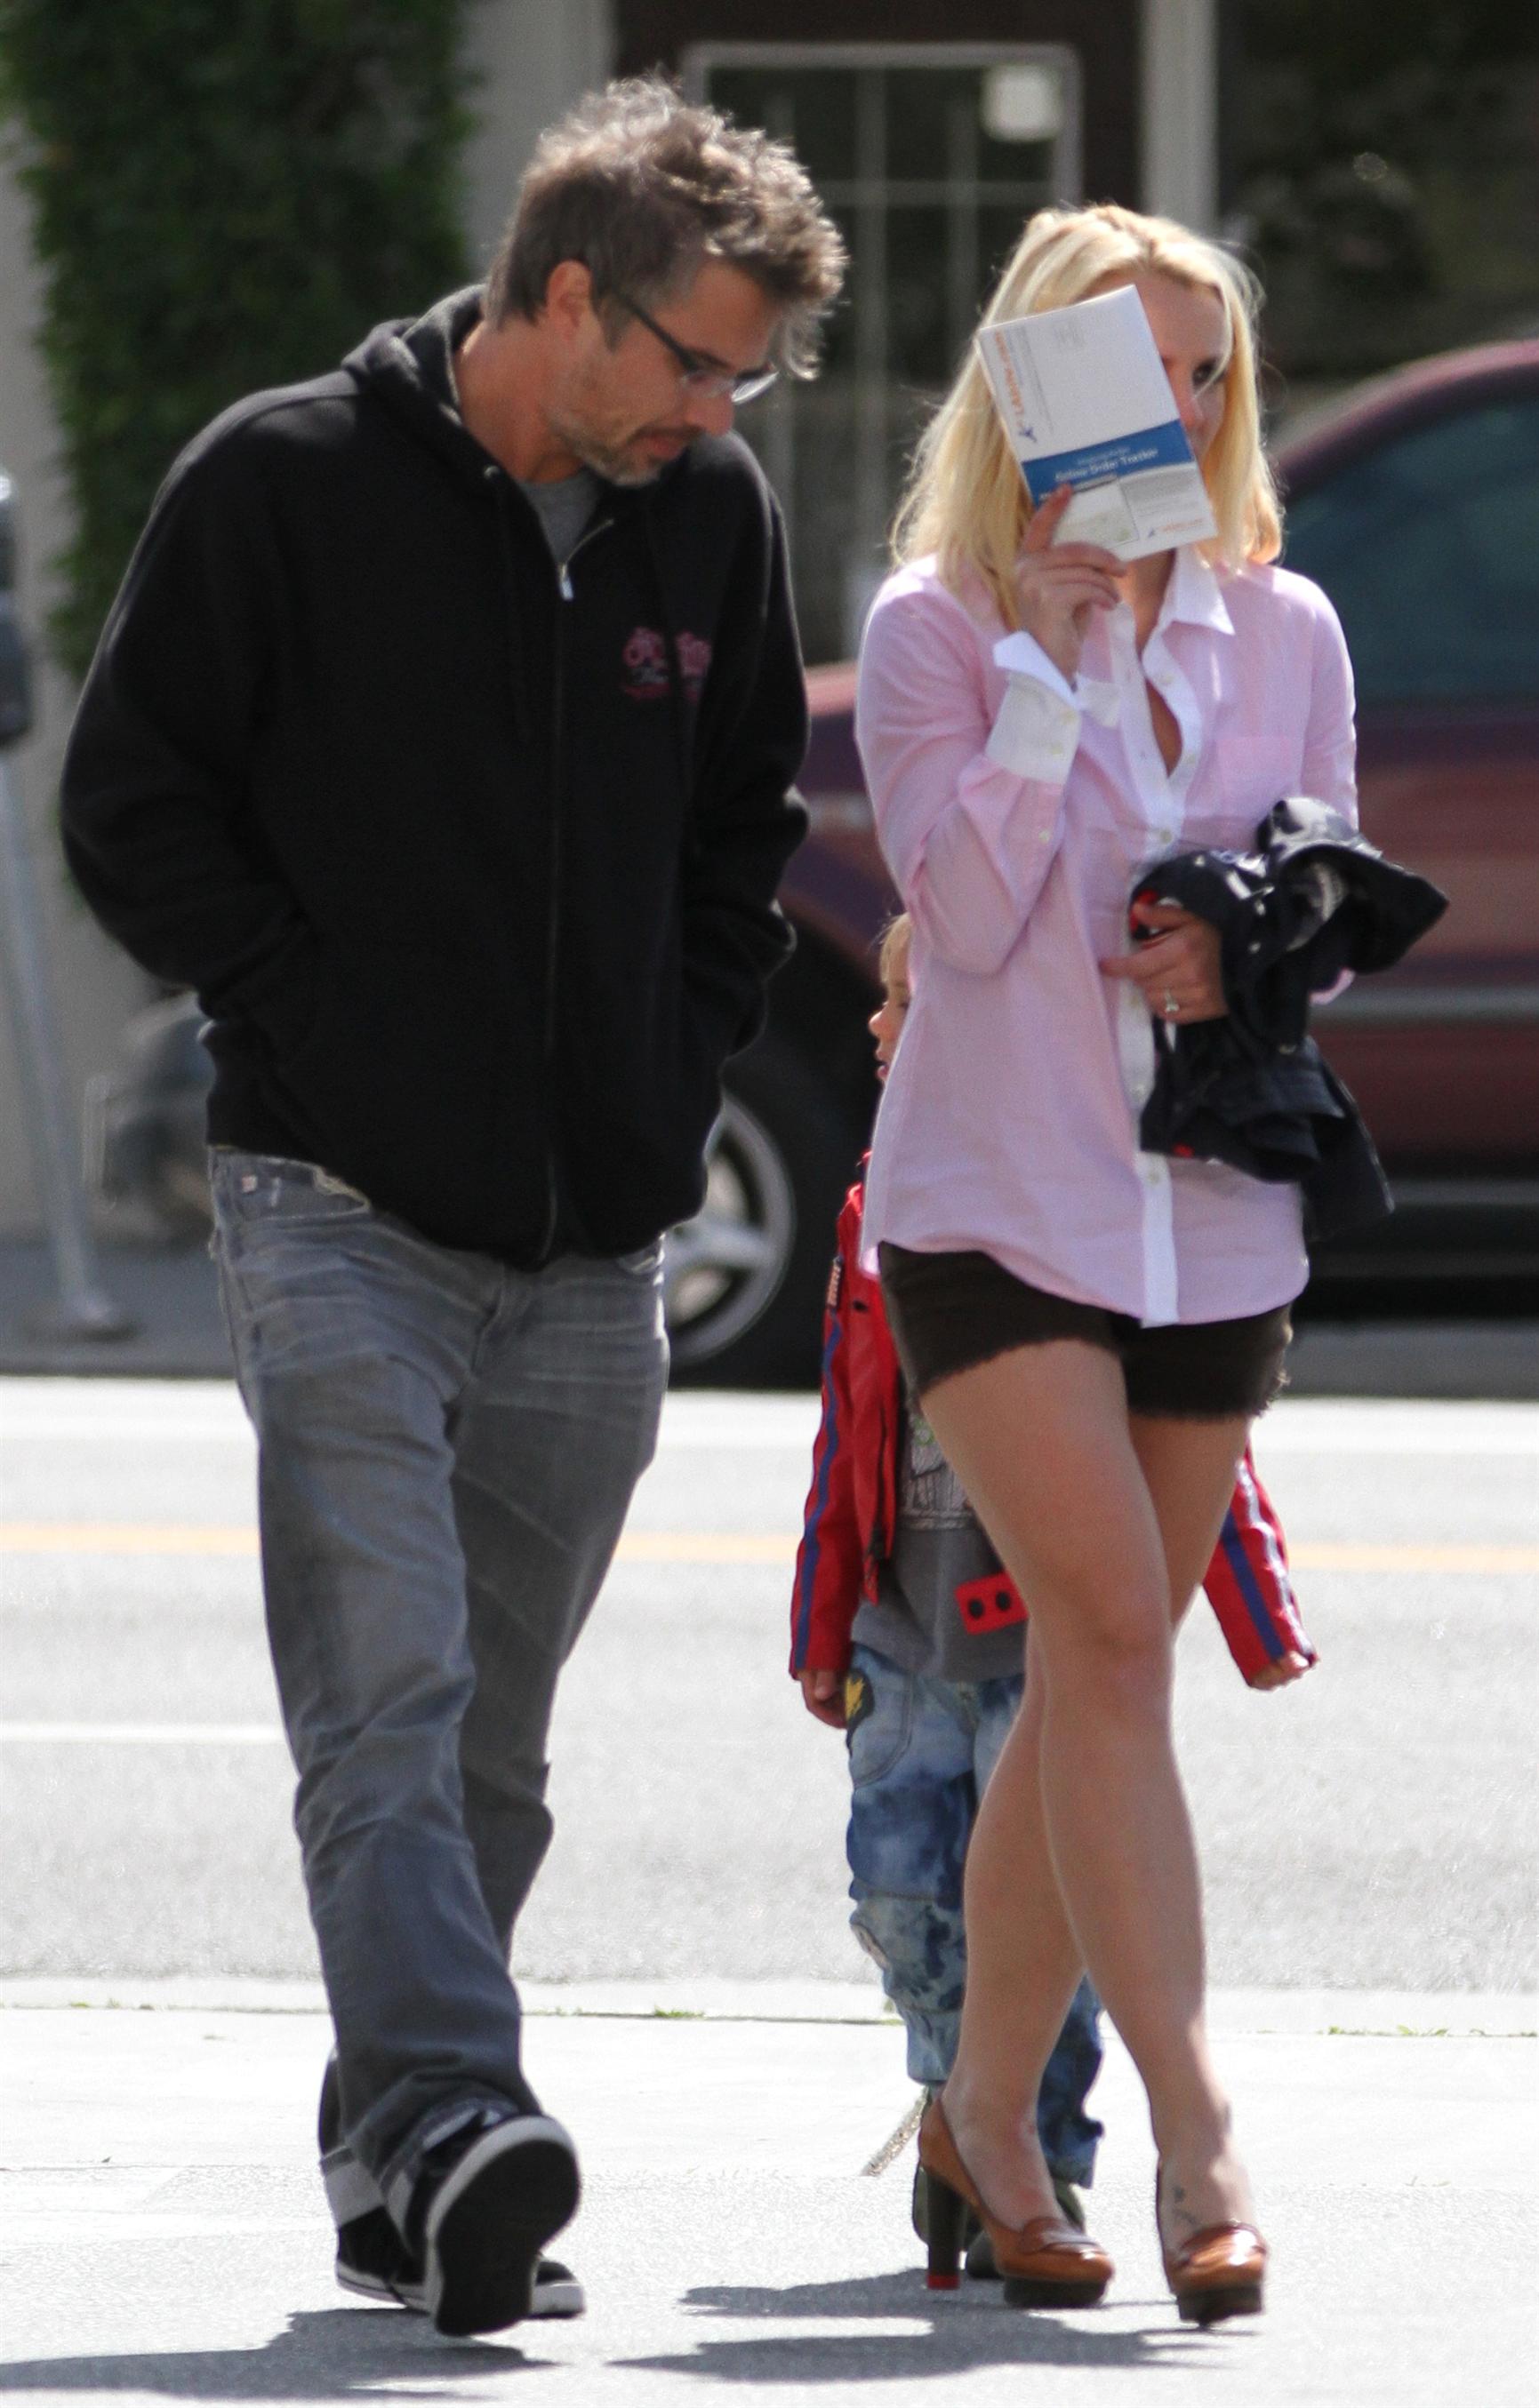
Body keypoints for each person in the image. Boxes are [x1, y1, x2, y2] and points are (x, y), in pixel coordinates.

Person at [60, 76, 845, 2340]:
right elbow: (132, 802)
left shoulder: (704, 516)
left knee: (487, 1741)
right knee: (385, 1697)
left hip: (595, 1244)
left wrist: (668, 1062)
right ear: (566, 296)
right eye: (690, 362)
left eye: (744, 379)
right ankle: (460, 2104)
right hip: (329, 1199)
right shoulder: (281, 478)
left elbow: (743, 828)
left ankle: (398, 2154)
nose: (713, 414)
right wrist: (309, 1009)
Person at [855, 201, 1357, 2324]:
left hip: (1209, 1208)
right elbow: (963, 924)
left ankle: (980, 2108)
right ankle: (1192, 2127)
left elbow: (1327, 894)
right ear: (1030, 386)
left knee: (1092, 1671)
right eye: (1135, 368)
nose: (1179, 405)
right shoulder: (932, 627)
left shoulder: (1282, 622)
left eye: (1204, 369)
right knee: (1107, 1636)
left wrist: (1234, 945)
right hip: (997, 1203)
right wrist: (1049, 675)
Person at [790, 912, 1316, 2283]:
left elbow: (1202, 1470)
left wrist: (1257, 1613)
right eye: (892, 1000)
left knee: (1079, 1831)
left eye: (905, 999)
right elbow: (843, 1443)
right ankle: (966, 2101)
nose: (879, 1023)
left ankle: (1056, 2138)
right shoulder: (873, 1218)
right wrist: (821, 1625)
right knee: (903, 1892)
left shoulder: (1114, 1224)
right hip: (906, 1639)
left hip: (1032, 1630)